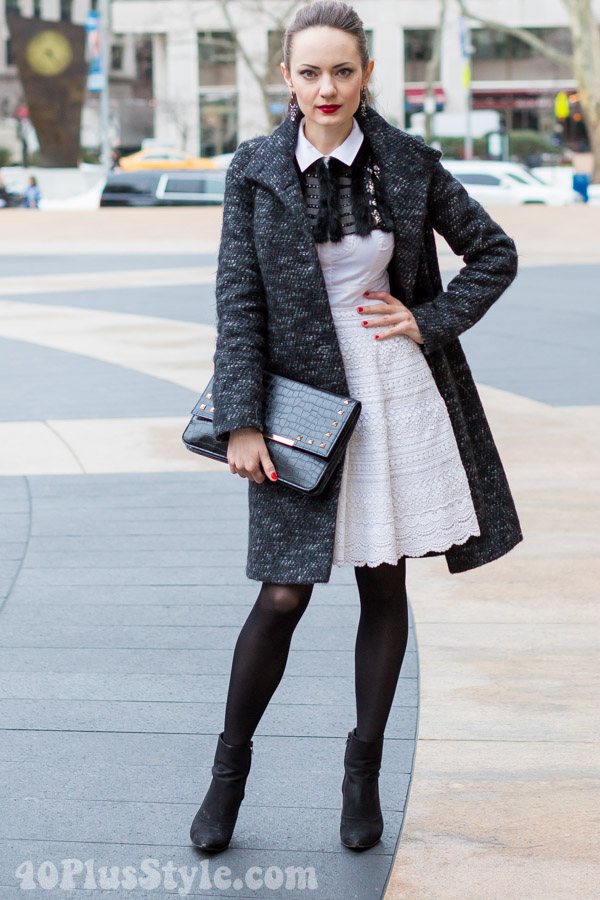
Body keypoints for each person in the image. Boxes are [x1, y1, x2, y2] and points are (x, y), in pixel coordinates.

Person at [190, 0, 522, 853]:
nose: (326, 87)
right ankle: (228, 777)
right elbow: (239, 301)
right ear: (286, 77)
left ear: (367, 72)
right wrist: (241, 421)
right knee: (283, 593)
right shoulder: (256, 167)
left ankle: (362, 776)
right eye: (310, 72)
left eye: (343, 70)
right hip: (296, 405)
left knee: (384, 585)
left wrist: (429, 318)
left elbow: (494, 252)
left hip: (392, 391)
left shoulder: (406, 162)